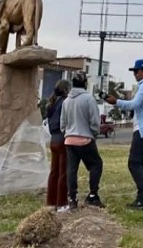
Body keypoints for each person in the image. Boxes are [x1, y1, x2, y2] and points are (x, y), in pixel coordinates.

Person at [105, 58, 143, 209]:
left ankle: (142, 198)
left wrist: (116, 102)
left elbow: (135, 104)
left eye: (136, 71)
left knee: (134, 162)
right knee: (140, 163)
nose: (134, 74)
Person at [60, 71, 105, 210]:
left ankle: (72, 199)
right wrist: (94, 135)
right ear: (85, 83)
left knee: (71, 170)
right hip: (85, 139)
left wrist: (67, 134)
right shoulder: (88, 99)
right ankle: (92, 195)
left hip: (69, 140)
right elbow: (95, 122)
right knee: (96, 165)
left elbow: (62, 124)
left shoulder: (66, 101)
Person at [46, 79, 71, 212]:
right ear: (66, 90)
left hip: (53, 140)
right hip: (62, 139)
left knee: (53, 172)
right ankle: (61, 202)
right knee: (63, 172)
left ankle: (51, 201)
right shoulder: (65, 103)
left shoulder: (51, 104)